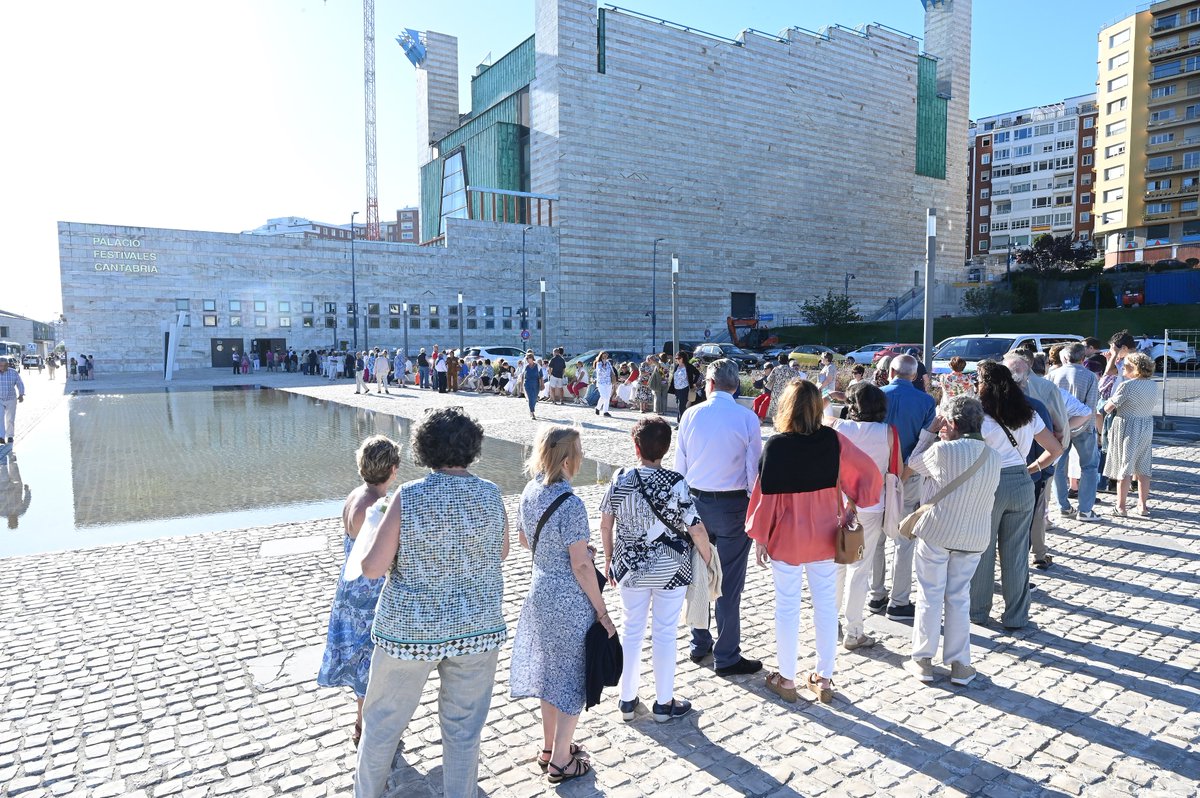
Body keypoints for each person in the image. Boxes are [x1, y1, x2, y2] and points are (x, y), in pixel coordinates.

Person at [351, 408, 510, 798]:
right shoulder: (491, 493)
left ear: (425, 449)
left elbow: (372, 568)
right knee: (463, 730)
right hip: (477, 627)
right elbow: (502, 552)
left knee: (382, 725)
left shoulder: (410, 496)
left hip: (409, 631)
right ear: (472, 447)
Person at [747, 380, 881, 703]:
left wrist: (761, 538)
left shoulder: (777, 446)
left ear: (786, 407)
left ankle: (787, 679)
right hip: (825, 535)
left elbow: (765, 499)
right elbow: (868, 472)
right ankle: (824, 678)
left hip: (787, 539)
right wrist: (852, 505)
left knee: (787, 606)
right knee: (825, 607)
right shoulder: (832, 441)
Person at [511, 427, 615, 783]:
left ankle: (548, 747)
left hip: (539, 590)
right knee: (571, 677)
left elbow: (526, 539)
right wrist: (602, 612)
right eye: (580, 451)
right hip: (569, 599)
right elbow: (582, 566)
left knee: (549, 673)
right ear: (569, 459)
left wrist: (562, 552)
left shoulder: (529, 490)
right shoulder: (571, 504)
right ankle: (561, 762)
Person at [601, 416, 712, 722]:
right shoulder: (676, 482)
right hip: (671, 569)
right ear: (666, 448)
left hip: (630, 568)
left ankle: (627, 700)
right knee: (664, 633)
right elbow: (696, 529)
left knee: (631, 630)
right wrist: (707, 560)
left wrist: (610, 560)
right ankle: (664, 703)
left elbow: (606, 524)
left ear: (635, 446)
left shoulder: (620, 478)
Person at [902, 396, 1002, 686]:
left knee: (930, 594)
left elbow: (913, 463)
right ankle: (960, 664)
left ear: (953, 423)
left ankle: (922, 660)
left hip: (937, 531)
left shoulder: (942, 451)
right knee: (959, 597)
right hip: (973, 535)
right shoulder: (993, 456)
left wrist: (929, 433)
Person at [678, 359, 764, 677]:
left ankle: (699, 642)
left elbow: (680, 469)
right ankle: (726, 655)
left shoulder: (691, 415)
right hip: (732, 506)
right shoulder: (747, 418)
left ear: (708, 384)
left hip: (697, 502)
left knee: (699, 574)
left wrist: (683, 512)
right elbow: (752, 473)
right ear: (735, 385)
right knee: (729, 582)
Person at [317, 435, 400, 746]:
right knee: (371, 659)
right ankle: (365, 727)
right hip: (369, 592)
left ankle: (361, 722)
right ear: (393, 469)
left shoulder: (354, 496)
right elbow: (385, 553)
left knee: (359, 655)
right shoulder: (377, 507)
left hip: (348, 587)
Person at [970, 361, 1062, 630]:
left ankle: (977, 610)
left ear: (984, 384)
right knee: (1016, 552)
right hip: (1022, 481)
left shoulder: (980, 417)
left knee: (983, 551)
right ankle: (1017, 615)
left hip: (990, 482)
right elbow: (1055, 449)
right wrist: (1032, 467)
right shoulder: (1028, 413)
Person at [824, 382, 894, 651]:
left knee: (836, 566)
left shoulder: (836, 426)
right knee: (859, 569)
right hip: (872, 505)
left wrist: (833, 396)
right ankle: (854, 630)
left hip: (838, 504)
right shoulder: (889, 432)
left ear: (852, 406)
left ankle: (831, 623)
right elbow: (894, 469)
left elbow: (819, 406)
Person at [874, 354, 936, 622]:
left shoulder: (876, 396)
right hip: (909, 475)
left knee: (875, 535)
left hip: (877, 472)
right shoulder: (926, 401)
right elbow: (928, 442)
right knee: (904, 538)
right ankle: (899, 601)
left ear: (890, 372)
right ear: (914, 376)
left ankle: (876, 594)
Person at [1048, 343, 1101, 522]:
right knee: (1089, 467)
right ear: (1083, 357)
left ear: (1065, 357)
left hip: (1058, 427)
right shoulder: (1090, 376)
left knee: (1057, 467)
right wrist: (1090, 429)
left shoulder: (1052, 374)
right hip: (1083, 426)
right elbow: (1091, 406)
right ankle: (1085, 510)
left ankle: (1063, 506)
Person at [1102, 352, 1157, 517]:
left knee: (1125, 466)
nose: (1123, 368)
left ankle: (1121, 507)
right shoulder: (1153, 385)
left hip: (1128, 426)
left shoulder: (1127, 386)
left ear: (1135, 368)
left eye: (1126, 365)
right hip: (1146, 425)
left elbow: (1108, 408)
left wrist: (1107, 401)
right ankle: (1143, 506)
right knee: (1143, 467)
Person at [765, 353, 800, 425]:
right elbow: (798, 377)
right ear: (787, 361)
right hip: (787, 391)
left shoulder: (776, 369)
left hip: (776, 392)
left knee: (775, 409)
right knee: (785, 408)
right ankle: (783, 424)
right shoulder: (791, 370)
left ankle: (775, 425)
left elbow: (769, 379)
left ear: (779, 361)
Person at [0, 358, 26, 445]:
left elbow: (20, 383)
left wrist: (21, 394)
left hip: (11, 399)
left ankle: (10, 436)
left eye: (4, 365)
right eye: (0, 365)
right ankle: (1, 437)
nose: (2, 367)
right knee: (0, 418)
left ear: (8, 365)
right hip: (0, 399)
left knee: (10, 418)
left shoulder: (13, 372)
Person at [670, 352, 699, 422]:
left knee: (681, 406)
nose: (677, 360)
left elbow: (697, 373)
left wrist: (694, 383)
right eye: (676, 358)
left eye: (679, 358)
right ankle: (679, 421)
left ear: (683, 358)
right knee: (679, 405)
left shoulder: (688, 366)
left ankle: (682, 422)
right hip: (677, 389)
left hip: (685, 388)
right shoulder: (677, 366)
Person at [594, 352, 616, 417]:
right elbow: (599, 371)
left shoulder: (609, 363)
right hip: (601, 382)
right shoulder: (598, 363)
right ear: (601, 356)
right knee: (604, 396)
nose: (605, 356)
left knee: (607, 397)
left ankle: (605, 411)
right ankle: (598, 407)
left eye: (606, 355)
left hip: (608, 382)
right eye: (604, 355)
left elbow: (612, 371)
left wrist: (614, 379)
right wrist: (603, 366)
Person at [523, 353, 544, 419]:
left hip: (536, 384)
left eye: (529, 358)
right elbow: (522, 377)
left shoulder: (538, 366)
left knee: (534, 398)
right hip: (527, 384)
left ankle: (531, 409)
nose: (528, 360)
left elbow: (541, 376)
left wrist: (542, 384)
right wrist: (521, 386)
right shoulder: (525, 367)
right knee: (530, 398)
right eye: (527, 359)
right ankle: (532, 412)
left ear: (532, 358)